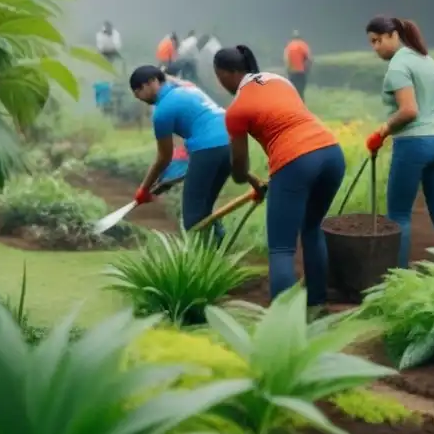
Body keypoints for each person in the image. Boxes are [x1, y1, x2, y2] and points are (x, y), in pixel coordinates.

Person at [213, 44, 345, 310]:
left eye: (219, 76)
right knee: (311, 228)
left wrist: (246, 179)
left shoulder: (237, 109)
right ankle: (317, 302)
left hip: (295, 160)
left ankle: (281, 321)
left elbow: (239, 164)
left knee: (281, 248)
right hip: (331, 153)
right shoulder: (280, 80)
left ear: (228, 73)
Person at [364, 16, 434, 268]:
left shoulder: (398, 67)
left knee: (398, 215)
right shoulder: (427, 60)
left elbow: (409, 111)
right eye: (372, 43)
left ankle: (399, 280)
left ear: (394, 35)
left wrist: (382, 131)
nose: (375, 47)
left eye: (378, 40)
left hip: (414, 145)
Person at [128, 65, 231, 240]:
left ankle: (206, 262)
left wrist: (143, 189)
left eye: (139, 89)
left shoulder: (162, 111)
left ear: (153, 82)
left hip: (208, 148)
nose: (137, 96)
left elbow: (164, 157)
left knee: (193, 219)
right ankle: (220, 252)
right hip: (233, 143)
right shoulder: (188, 88)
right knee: (204, 210)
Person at [284, 31, 312, 100]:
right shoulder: (304, 45)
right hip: (301, 72)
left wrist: (287, 70)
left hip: (292, 72)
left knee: (293, 91)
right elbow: (309, 59)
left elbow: (286, 60)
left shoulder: (289, 46)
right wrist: (308, 70)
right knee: (301, 91)